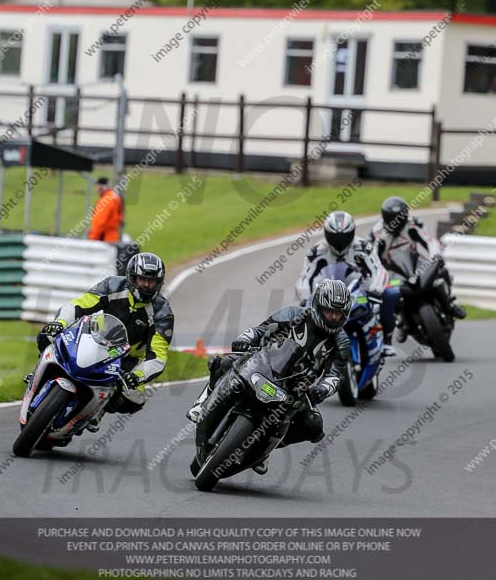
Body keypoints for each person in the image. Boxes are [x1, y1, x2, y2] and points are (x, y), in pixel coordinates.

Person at [188, 278, 351, 474]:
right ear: (317, 305)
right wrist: (245, 339)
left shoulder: (341, 342)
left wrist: (322, 389)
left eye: (338, 313)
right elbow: (261, 329)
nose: (333, 317)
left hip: (298, 388)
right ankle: (203, 402)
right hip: (264, 365)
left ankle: (266, 449)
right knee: (221, 363)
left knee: (313, 426)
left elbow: (336, 374)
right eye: (329, 311)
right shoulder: (293, 315)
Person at [36, 252, 173, 429]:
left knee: (134, 398)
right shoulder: (112, 285)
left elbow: (158, 356)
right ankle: (38, 372)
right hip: (94, 339)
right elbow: (78, 305)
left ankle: (98, 410)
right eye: (142, 279)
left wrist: (137, 376)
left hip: (125, 360)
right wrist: (60, 323)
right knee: (48, 334)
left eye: (152, 281)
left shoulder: (163, 313)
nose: (146, 285)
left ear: (159, 283)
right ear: (132, 277)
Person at [296, 211, 397, 357]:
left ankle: (386, 340)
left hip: (359, 291)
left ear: (352, 233)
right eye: (334, 237)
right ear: (326, 233)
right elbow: (304, 277)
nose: (339, 241)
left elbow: (378, 270)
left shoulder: (363, 247)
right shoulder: (316, 252)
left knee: (390, 293)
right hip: (329, 296)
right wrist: (305, 299)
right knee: (306, 320)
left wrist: (376, 289)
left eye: (344, 237)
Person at [370, 196, 466, 341]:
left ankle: (450, 305)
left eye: (401, 218)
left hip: (415, 263)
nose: (398, 223)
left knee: (440, 270)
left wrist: (435, 256)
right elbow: (371, 256)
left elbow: (429, 241)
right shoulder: (377, 233)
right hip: (393, 271)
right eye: (394, 219)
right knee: (388, 293)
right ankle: (402, 322)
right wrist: (376, 273)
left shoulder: (413, 224)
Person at [88, 177, 124, 243]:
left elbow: (100, 222)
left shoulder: (106, 200)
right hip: (112, 237)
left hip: (104, 239)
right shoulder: (113, 196)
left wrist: (92, 238)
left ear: (101, 187)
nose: (97, 189)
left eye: (98, 186)